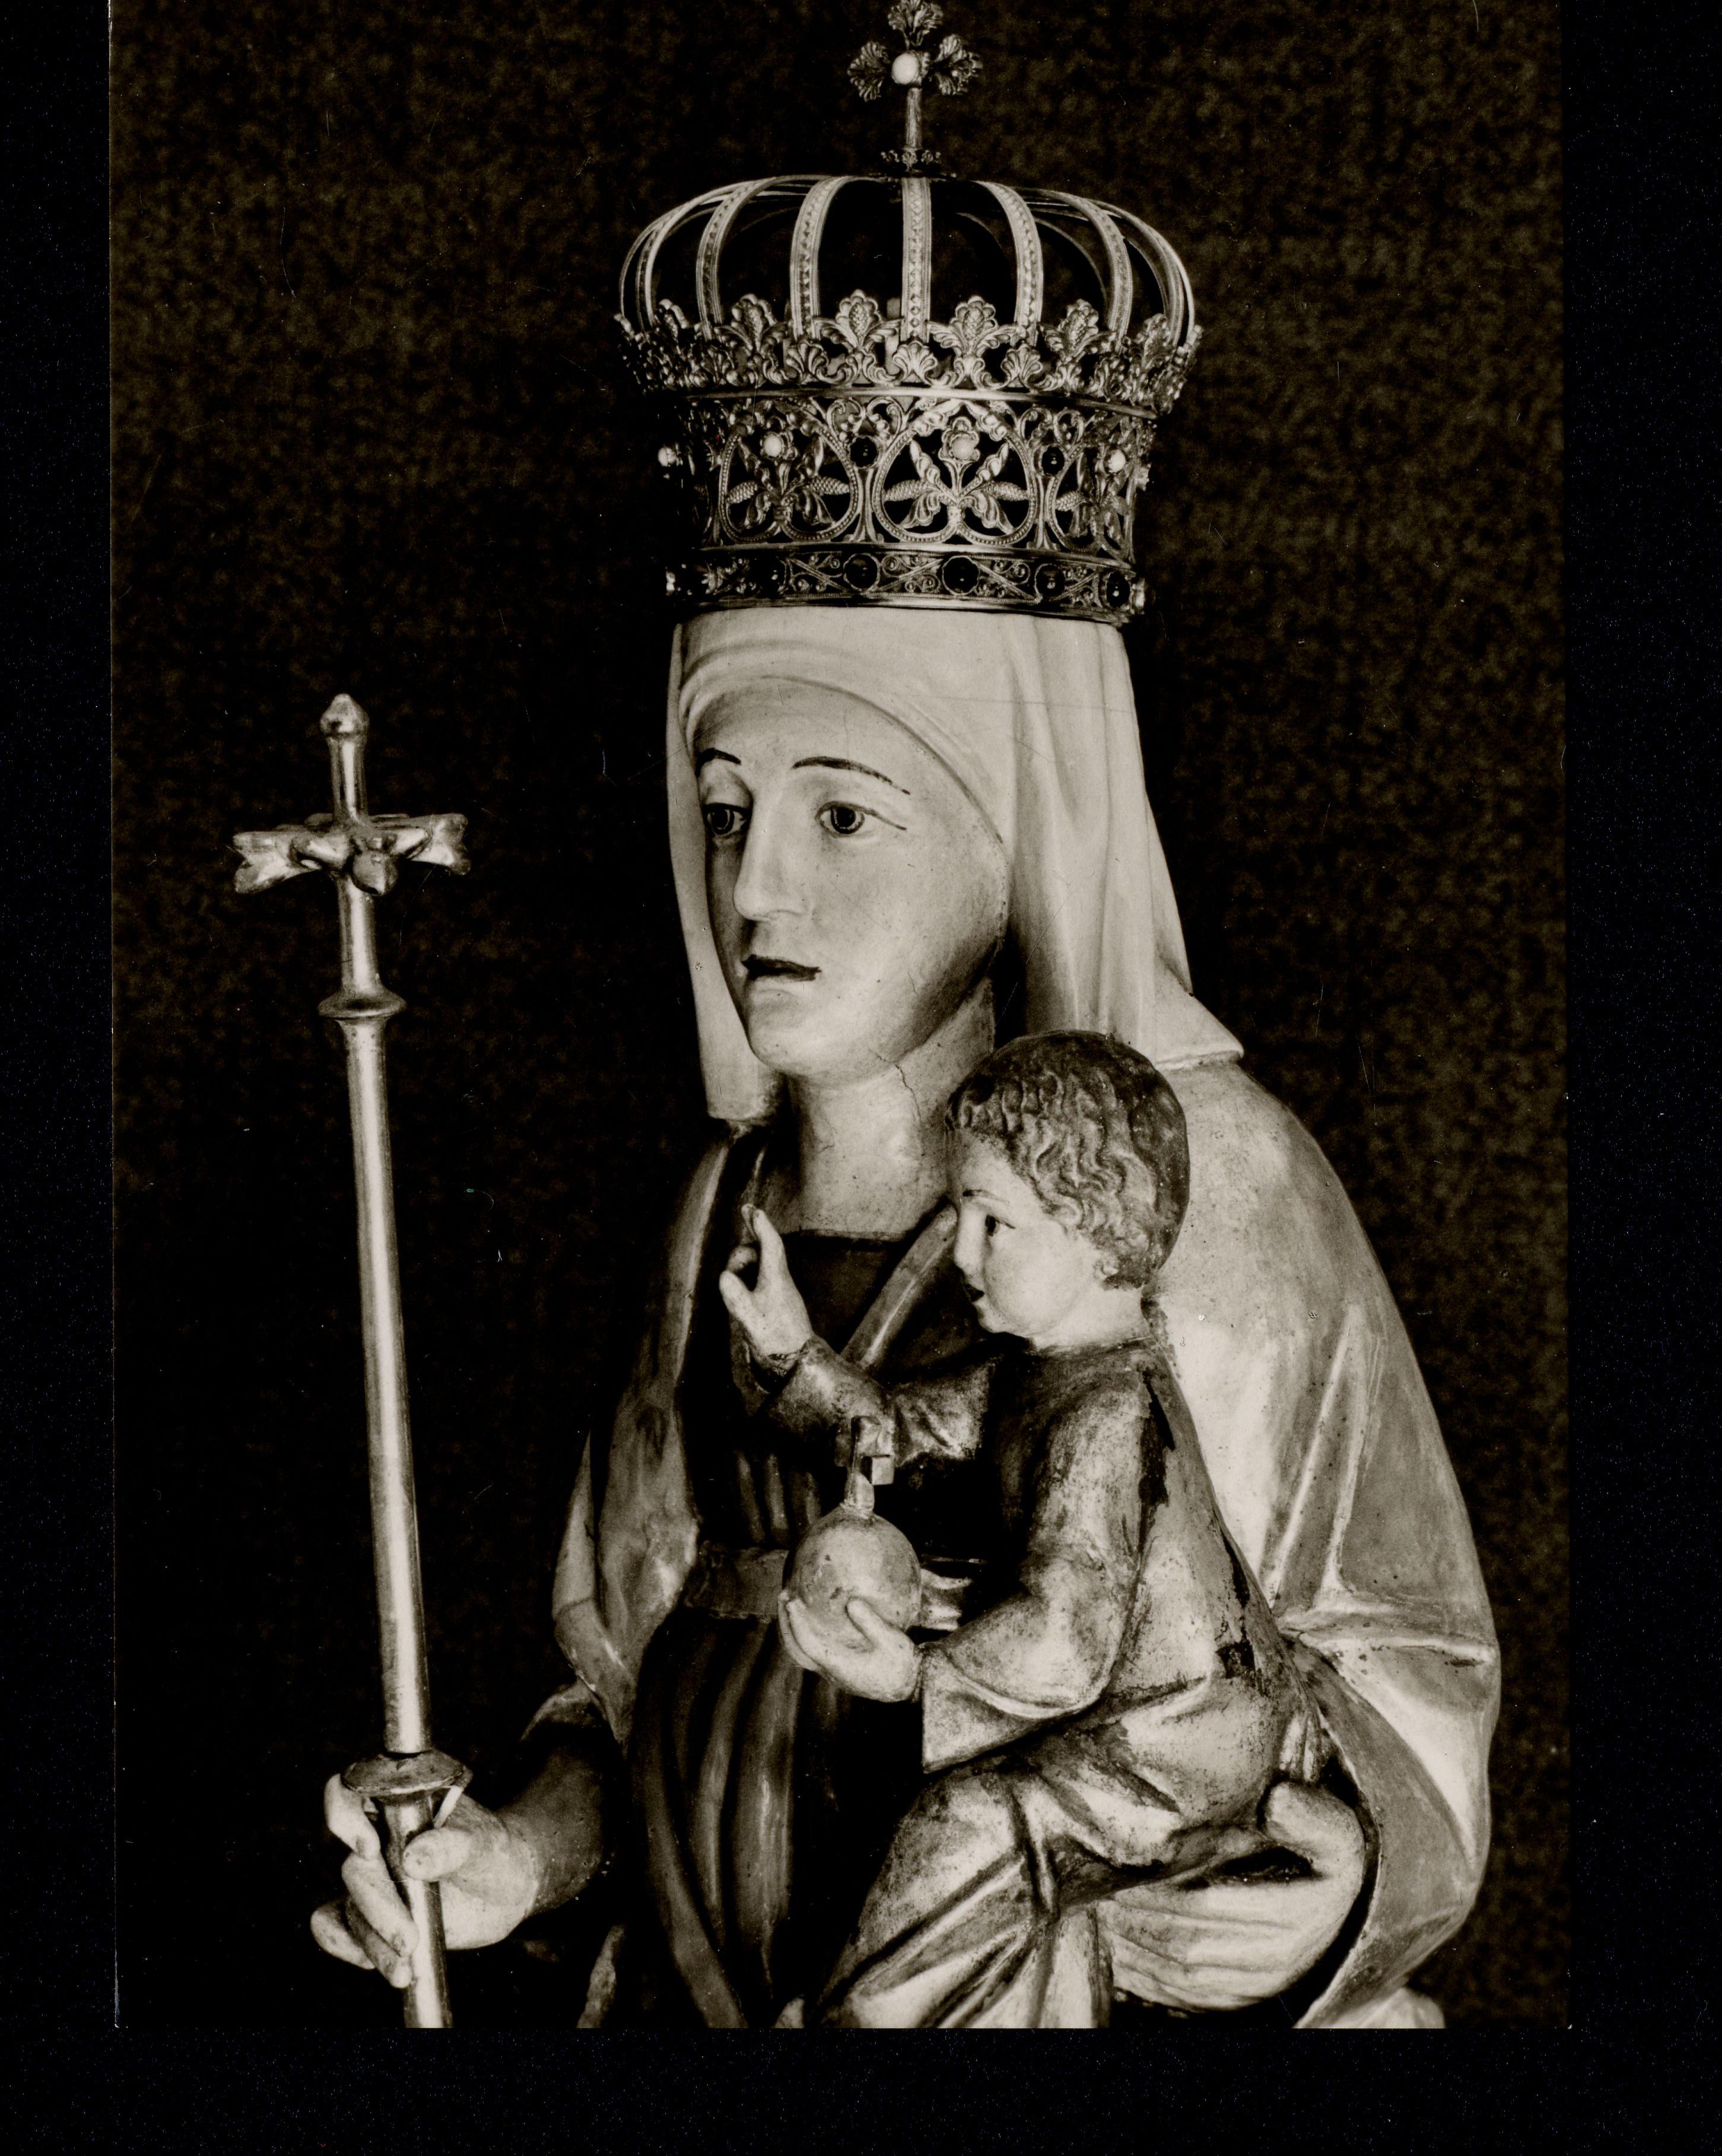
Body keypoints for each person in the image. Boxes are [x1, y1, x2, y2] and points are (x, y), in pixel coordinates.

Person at [315, 603, 1499, 2028]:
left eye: (842, 817)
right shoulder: (715, 1210)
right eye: (725, 812)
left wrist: (1332, 1882)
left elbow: (1386, 1664)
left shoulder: (1201, 1176)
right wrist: (514, 1855)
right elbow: (632, 1677)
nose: (756, 888)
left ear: (1020, 827)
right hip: (700, 1975)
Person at [719, 1028, 1331, 2027]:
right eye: (959, 1213)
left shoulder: (1109, 1412)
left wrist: (915, 1677)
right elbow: (895, 1432)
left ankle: (859, 2017)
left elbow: (1066, 1633)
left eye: (993, 1222)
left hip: (1171, 1742)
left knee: (970, 1819)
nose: (962, 1251)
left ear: (1094, 1232)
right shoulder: (1030, 1373)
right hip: (1112, 1724)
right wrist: (795, 1353)